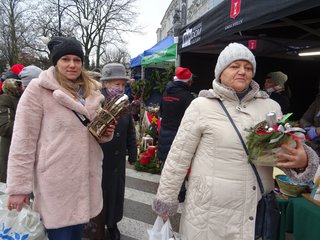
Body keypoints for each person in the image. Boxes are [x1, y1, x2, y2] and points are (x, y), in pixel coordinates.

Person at [152, 43, 319, 240]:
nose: (242, 71)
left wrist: (302, 162)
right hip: (207, 215)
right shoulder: (201, 106)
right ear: (221, 72)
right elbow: (178, 157)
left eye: (248, 68)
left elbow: (279, 152)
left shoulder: (270, 107)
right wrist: (166, 200)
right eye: (235, 66)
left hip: (253, 213)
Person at [5, 36, 115, 240]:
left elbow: (92, 134)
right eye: (65, 59)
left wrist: (105, 134)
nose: (72, 65)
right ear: (55, 62)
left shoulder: (90, 91)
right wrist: (19, 188)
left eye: (77, 60)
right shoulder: (38, 91)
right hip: (56, 184)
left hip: (86, 181)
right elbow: (23, 142)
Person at [89, 63, 137, 240]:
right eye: (117, 84)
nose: (121, 88)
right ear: (106, 83)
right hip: (100, 158)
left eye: (123, 84)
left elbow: (130, 130)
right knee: (101, 193)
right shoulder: (95, 103)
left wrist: (133, 153)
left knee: (116, 193)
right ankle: (98, 225)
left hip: (117, 161)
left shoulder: (124, 104)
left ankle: (113, 223)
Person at [157, 66, 194, 202]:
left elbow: (160, 112)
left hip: (165, 131)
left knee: (166, 162)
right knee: (179, 164)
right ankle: (180, 192)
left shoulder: (166, 93)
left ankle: (164, 190)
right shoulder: (187, 97)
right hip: (179, 134)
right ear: (188, 81)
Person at [0, 79, 24, 183]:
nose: (23, 87)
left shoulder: (25, 98)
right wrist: (29, 123)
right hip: (11, 150)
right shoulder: (5, 99)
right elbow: (5, 127)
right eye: (21, 85)